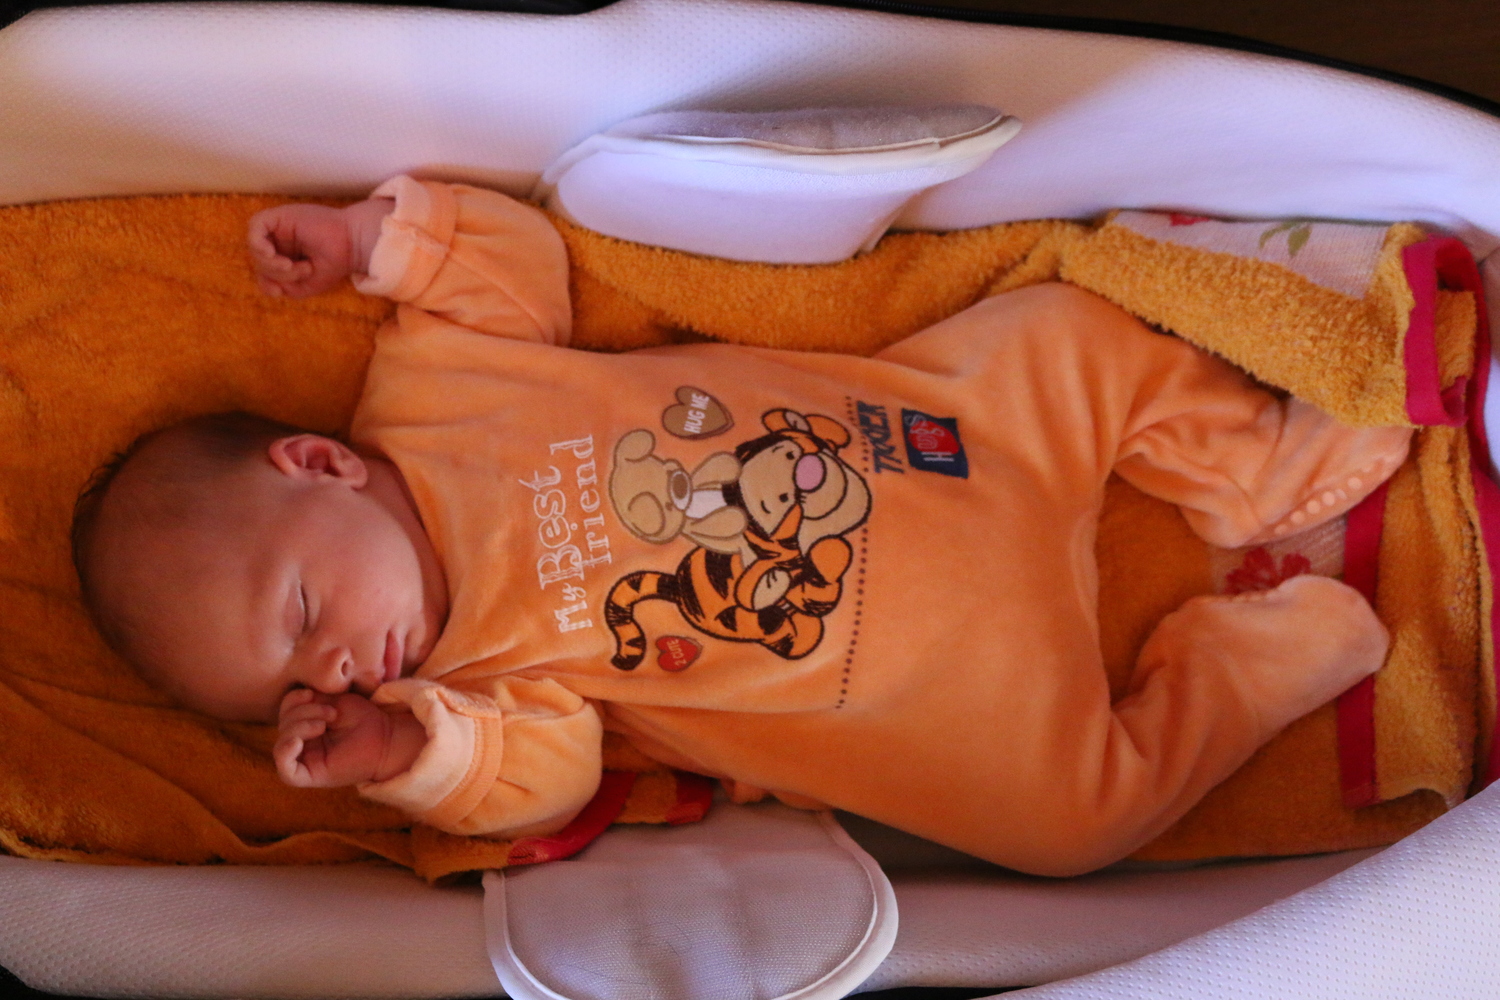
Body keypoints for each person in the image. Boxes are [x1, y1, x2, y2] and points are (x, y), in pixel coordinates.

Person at [70, 176, 1410, 876]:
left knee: (1066, 332)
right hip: (958, 688)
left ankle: (1255, 469)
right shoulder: (468, 689)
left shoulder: (432, 391)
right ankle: (1251, 667)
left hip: (951, 435)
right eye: (299, 691)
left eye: (307, 617)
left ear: (320, 464)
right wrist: (401, 750)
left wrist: (371, 239)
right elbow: (545, 781)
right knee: (1078, 822)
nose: (339, 669)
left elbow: (511, 263)